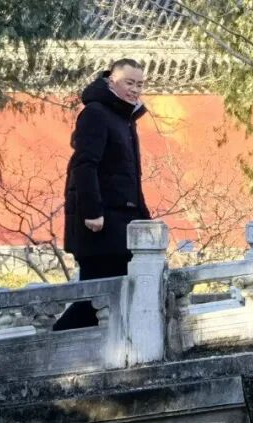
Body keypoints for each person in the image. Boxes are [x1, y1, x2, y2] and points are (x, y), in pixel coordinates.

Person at [58, 58, 151, 329]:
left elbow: (130, 177)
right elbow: (84, 165)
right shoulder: (96, 113)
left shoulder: (125, 118)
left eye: (140, 85)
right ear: (111, 82)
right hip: (101, 223)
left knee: (115, 295)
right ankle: (51, 342)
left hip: (123, 222)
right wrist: (92, 212)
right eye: (129, 83)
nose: (135, 90)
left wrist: (144, 218)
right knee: (95, 299)